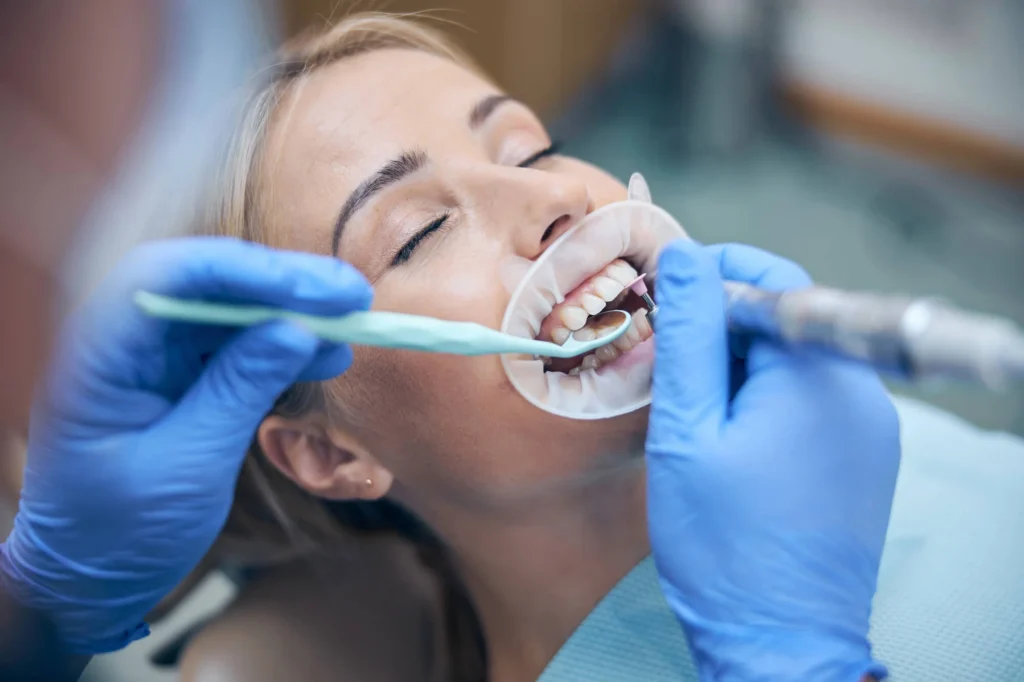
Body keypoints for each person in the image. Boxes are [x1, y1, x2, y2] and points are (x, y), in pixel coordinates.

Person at [176, 14, 904, 682]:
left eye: (531, 151)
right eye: (418, 235)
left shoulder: (844, 438)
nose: (552, 199)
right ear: (330, 454)